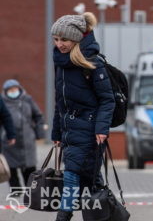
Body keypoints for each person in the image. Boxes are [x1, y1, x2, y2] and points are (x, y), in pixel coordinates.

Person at [51, 12, 115, 221]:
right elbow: (60, 102)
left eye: (64, 40)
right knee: (91, 179)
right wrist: (57, 132)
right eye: (56, 39)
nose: (59, 44)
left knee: (71, 176)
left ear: (77, 39)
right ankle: (107, 215)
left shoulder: (94, 64)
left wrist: (101, 129)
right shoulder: (60, 63)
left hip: (89, 131)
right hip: (70, 131)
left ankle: (63, 217)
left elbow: (107, 100)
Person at [1, 79, 45, 189]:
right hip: (8, 140)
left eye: (15, 89)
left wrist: (39, 134)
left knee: (29, 166)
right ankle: (16, 189)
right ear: (5, 91)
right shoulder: (3, 101)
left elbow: (38, 116)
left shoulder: (27, 99)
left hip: (27, 138)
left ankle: (31, 189)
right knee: (11, 166)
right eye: (10, 90)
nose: (13, 91)